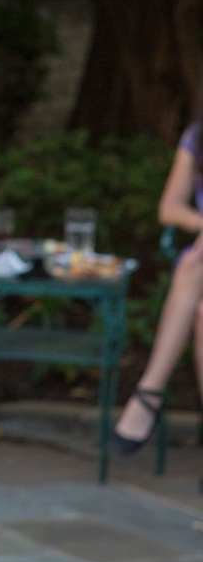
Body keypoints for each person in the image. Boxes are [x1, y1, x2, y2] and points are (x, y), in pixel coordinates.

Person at [111, 113, 203, 458]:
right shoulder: (198, 135)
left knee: (193, 266)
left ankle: (149, 392)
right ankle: (149, 391)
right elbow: (169, 208)